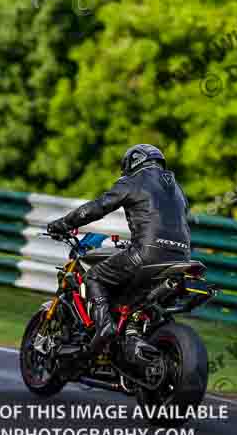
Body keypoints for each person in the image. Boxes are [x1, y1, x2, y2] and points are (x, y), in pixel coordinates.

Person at [47, 144, 191, 361]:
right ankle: (134, 335)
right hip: (182, 257)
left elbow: (96, 208)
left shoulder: (134, 181)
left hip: (146, 253)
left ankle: (104, 329)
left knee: (94, 276)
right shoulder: (176, 189)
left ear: (133, 163)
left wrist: (63, 223)